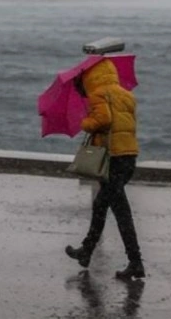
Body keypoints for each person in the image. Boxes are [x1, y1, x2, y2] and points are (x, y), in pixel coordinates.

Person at [66, 59, 145, 279]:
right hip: (128, 156)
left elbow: (104, 119)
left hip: (113, 159)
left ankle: (135, 261)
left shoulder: (99, 94)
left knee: (117, 210)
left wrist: (86, 123)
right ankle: (87, 251)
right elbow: (126, 124)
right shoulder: (126, 94)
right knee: (105, 206)